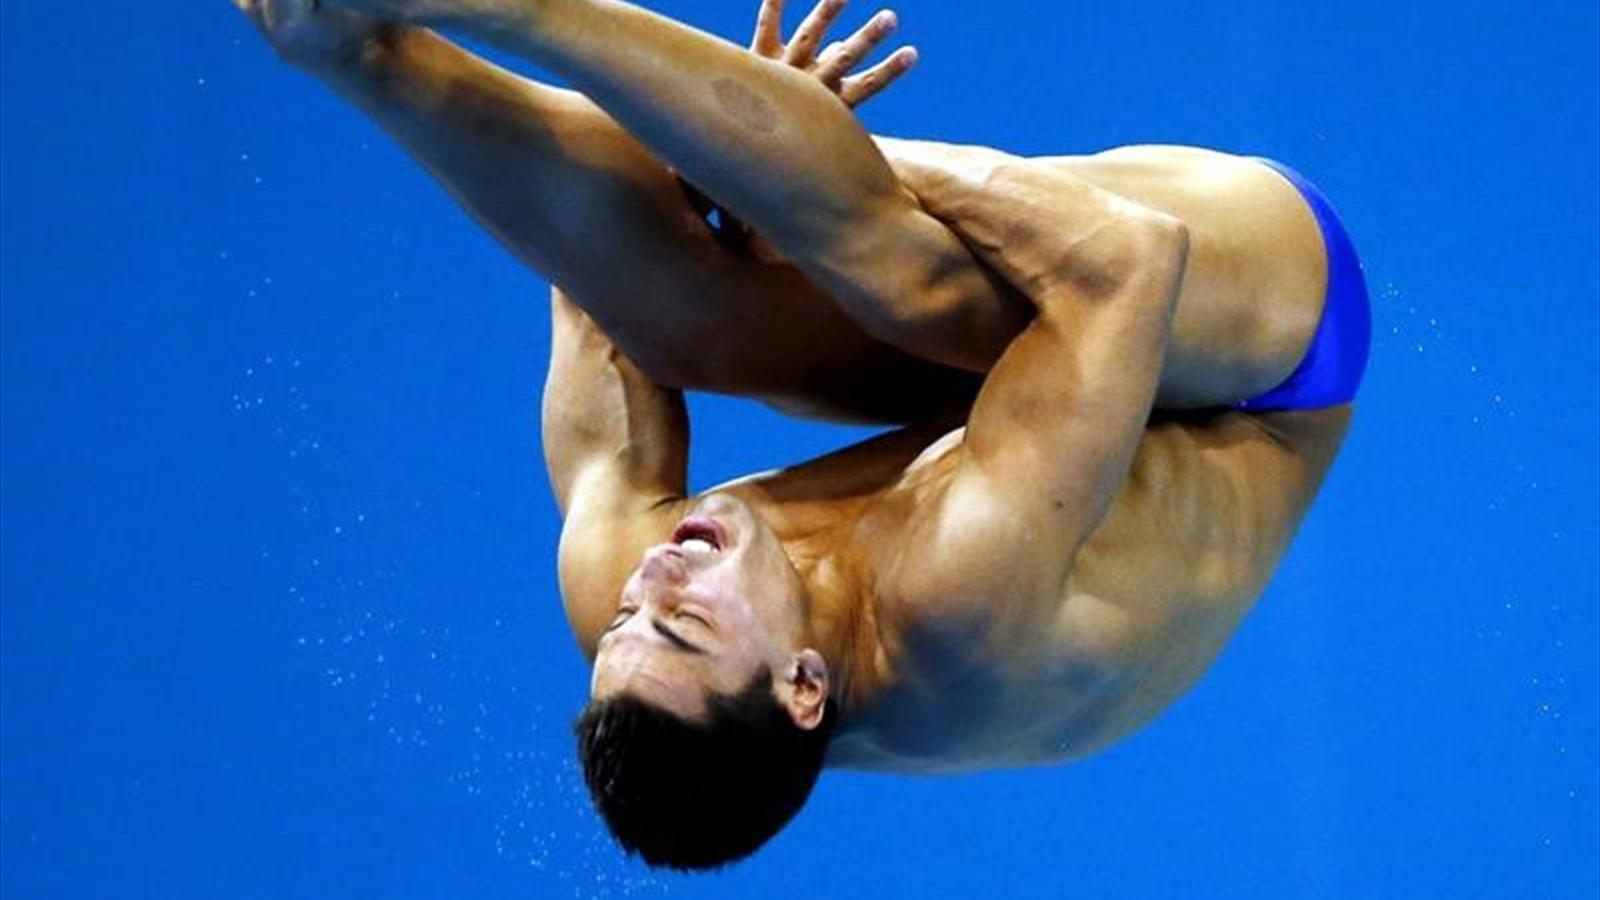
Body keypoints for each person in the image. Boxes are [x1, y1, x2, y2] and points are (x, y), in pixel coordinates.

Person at [235, 0, 1370, 871]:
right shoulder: (956, 606)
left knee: (678, 315)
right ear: (805, 687)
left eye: (628, 618)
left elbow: (595, 279)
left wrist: (729, 142)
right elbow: (1127, 262)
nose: (655, 578)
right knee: (918, 284)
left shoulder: (634, 621)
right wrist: (785, 158)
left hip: (1028, 431)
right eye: (683, 623)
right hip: (1264, 375)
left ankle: (348, 47)